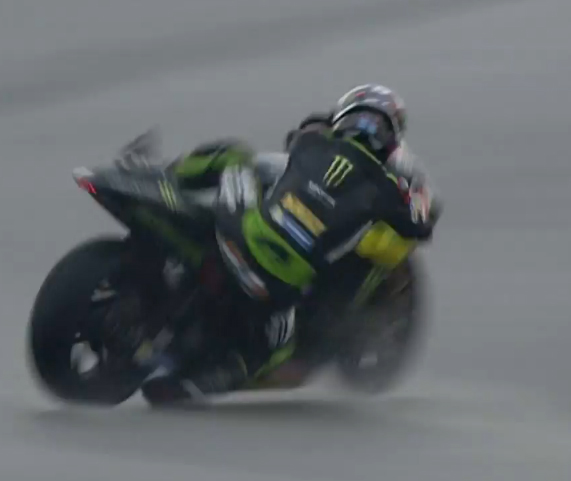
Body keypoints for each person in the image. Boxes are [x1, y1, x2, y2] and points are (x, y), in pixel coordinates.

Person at [139, 84, 440, 403]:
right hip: (280, 280)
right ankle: (204, 377)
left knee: (237, 158)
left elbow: (296, 136)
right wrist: (420, 200)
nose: (366, 131)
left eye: (373, 125)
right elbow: (420, 224)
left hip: (242, 236)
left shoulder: (309, 141)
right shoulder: (386, 190)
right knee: (278, 343)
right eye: (363, 121)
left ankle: (159, 176)